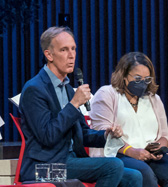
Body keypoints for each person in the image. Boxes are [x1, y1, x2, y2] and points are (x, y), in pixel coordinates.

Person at [19, 26, 142, 187]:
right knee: (113, 166)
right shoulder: (34, 89)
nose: (71, 55)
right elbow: (47, 136)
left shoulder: (68, 89)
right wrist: (74, 104)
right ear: (49, 55)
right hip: (43, 168)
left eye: (73, 49)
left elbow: (82, 135)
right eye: (64, 50)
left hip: (70, 161)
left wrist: (106, 135)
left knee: (134, 176)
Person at [89, 52, 168, 187]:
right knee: (144, 173)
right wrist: (131, 151)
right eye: (138, 78)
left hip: (149, 155)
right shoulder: (106, 94)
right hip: (118, 155)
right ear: (123, 76)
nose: (143, 84)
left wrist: (158, 148)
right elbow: (102, 132)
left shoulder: (153, 99)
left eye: (147, 80)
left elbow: (165, 134)